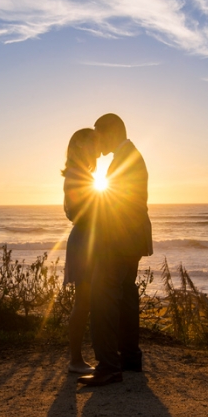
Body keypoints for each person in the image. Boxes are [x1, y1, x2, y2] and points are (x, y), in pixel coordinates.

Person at [78, 114, 153, 386]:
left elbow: (119, 203)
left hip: (119, 240)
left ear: (110, 132)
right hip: (131, 240)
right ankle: (130, 358)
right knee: (126, 299)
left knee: (103, 300)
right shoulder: (129, 156)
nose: (97, 141)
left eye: (99, 134)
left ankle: (109, 366)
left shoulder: (125, 159)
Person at [62, 128, 101, 375]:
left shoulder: (81, 174)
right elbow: (77, 212)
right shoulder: (76, 174)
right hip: (84, 241)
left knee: (88, 301)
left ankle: (83, 357)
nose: (96, 149)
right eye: (92, 143)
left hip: (88, 239)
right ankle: (75, 360)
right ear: (79, 145)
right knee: (83, 301)